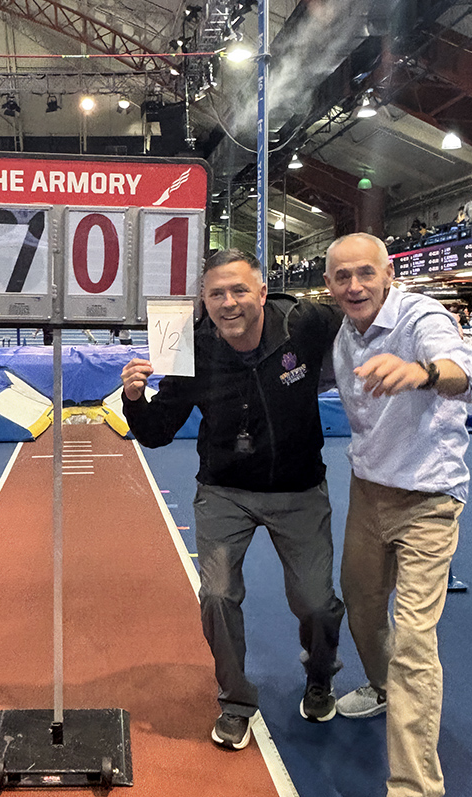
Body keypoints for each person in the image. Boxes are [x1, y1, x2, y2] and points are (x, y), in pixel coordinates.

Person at [120, 248, 345, 750]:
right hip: (224, 491)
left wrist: (433, 330)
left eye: (240, 290)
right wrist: (133, 400)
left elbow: (369, 308)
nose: (229, 302)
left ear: (262, 292)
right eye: (217, 293)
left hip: (299, 489)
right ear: (203, 300)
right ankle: (236, 699)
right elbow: (158, 432)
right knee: (217, 596)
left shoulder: (304, 322)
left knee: (316, 603)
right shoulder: (187, 345)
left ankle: (321, 674)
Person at [323, 233, 472, 797]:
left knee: (415, 641)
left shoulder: (420, 317)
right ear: (331, 285)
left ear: (388, 275)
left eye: (366, 273)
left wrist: (422, 372)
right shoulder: (342, 337)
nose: (354, 286)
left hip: (427, 501)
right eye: (342, 277)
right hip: (370, 492)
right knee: (362, 605)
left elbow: (468, 369)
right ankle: (384, 686)